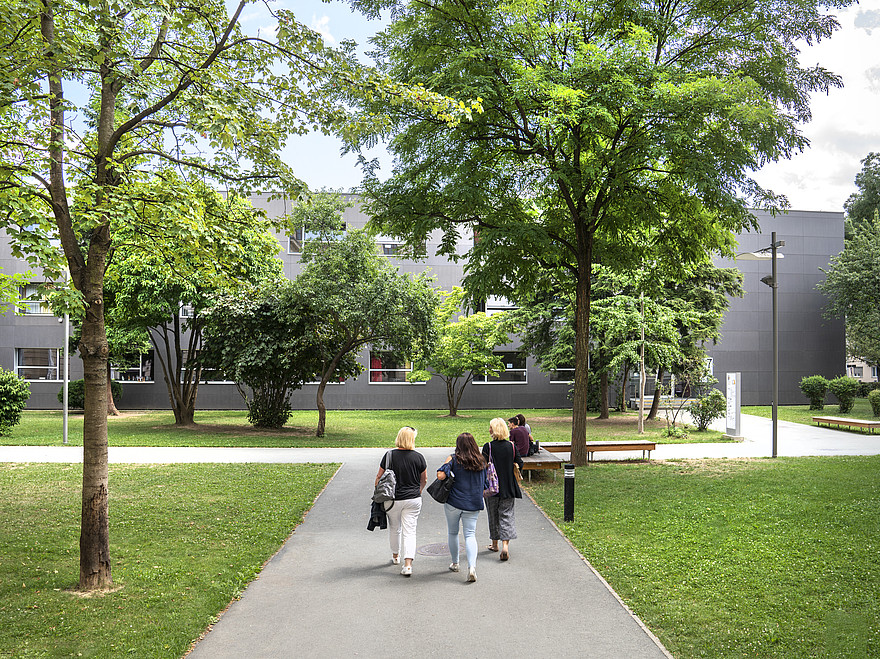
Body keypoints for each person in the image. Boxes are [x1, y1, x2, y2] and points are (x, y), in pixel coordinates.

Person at [435, 432, 488, 582]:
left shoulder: (453, 459)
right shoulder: (481, 461)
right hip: (473, 503)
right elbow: (485, 484)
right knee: (470, 534)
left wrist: (446, 465)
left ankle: (455, 563)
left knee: (453, 532)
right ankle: (472, 567)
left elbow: (441, 476)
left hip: (453, 502)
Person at [375, 426, 427, 576]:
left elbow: (379, 476)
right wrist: (418, 491)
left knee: (395, 528)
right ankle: (408, 565)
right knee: (410, 531)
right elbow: (424, 479)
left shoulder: (389, 455)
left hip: (392, 499)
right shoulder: (419, 457)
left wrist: (378, 491)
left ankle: (395, 556)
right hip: (413, 499)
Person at [482, 417, 523, 561]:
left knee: (493, 516)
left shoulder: (489, 446)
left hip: (492, 488)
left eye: (490, 427)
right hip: (509, 487)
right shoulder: (511, 446)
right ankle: (505, 545)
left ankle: (494, 544)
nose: (489, 430)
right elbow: (520, 463)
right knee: (507, 515)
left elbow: (482, 465)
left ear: (494, 430)